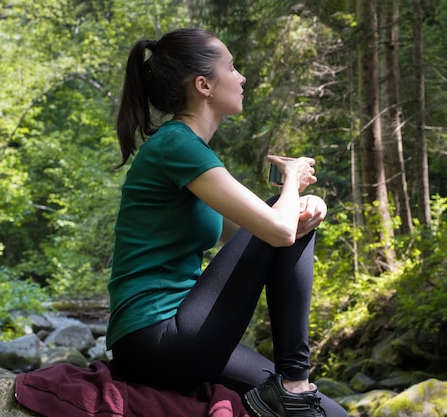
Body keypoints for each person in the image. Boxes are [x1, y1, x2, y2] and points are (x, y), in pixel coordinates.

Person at [106, 28, 348, 417]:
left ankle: (293, 387)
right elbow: (277, 231)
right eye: (232, 68)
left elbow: (246, 237)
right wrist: (291, 182)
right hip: (156, 339)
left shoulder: (187, 151)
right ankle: (295, 381)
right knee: (280, 215)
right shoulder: (177, 145)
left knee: (330, 415)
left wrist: (302, 204)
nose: (242, 77)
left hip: (184, 335)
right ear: (203, 85)